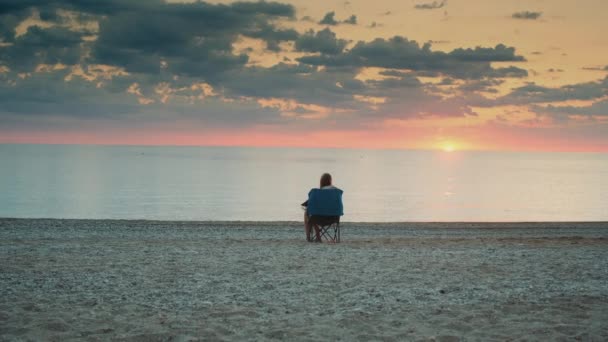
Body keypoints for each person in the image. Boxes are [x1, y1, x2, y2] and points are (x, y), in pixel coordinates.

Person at [302, 173, 344, 242]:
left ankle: (310, 237)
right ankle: (318, 236)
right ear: (330, 181)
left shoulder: (317, 192)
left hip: (318, 218)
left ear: (321, 182)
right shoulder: (336, 192)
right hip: (333, 218)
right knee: (313, 213)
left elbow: (311, 204)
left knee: (308, 213)